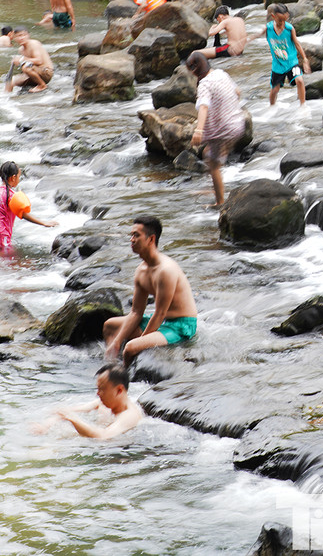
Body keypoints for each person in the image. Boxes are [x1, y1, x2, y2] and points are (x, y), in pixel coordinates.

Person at [102, 216, 198, 361]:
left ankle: (126, 378)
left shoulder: (166, 270)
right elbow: (136, 312)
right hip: (163, 321)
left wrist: (140, 342)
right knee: (110, 326)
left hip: (180, 326)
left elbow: (160, 313)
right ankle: (111, 363)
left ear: (151, 239)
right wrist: (116, 342)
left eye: (136, 235)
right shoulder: (141, 270)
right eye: (131, 235)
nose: (131, 240)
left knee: (130, 347)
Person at [186, 52, 246, 207]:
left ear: (195, 70)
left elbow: (204, 107)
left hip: (224, 130)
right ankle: (215, 187)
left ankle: (220, 202)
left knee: (213, 165)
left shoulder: (205, 84)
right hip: (238, 124)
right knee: (208, 153)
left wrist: (198, 130)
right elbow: (237, 92)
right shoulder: (221, 73)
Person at [38, 364, 144, 440]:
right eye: (98, 389)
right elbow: (65, 412)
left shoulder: (129, 415)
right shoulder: (104, 403)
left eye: (102, 389)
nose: (98, 393)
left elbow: (104, 436)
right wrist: (47, 425)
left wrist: (73, 419)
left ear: (119, 390)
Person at [0, 160, 58, 251]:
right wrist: (44, 223)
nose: (19, 180)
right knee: (7, 256)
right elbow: (23, 214)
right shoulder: (10, 195)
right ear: (13, 178)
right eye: (19, 177)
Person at [265, 3, 311, 107]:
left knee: (299, 80)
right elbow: (258, 35)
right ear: (273, 17)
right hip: (278, 65)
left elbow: (297, 44)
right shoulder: (268, 28)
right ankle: (272, 107)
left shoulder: (289, 29)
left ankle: (303, 106)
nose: (282, 23)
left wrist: (305, 59)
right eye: (279, 20)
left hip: (291, 62)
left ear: (287, 16)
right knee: (275, 89)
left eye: (284, 20)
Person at [5, 28, 55, 93]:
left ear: (28, 35)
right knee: (11, 81)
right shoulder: (21, 49)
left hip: (46, 72)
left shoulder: (34, 44)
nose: (21, 38)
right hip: (34, 73)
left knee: (26, 67)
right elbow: (26, 63)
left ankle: (42, 85)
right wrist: (17, 62)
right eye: (18, 36)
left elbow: (39, 61)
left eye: (23, 35)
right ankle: (6, 98)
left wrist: (21, 59)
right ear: (14, 38)